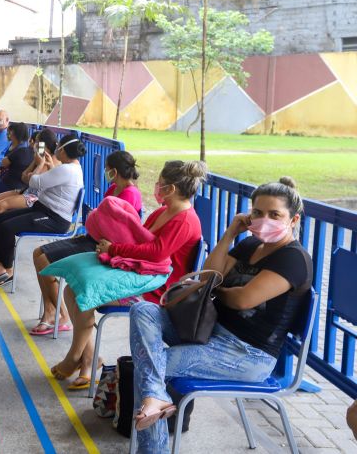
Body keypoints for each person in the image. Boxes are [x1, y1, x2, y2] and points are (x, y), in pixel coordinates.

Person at [130, 177, 312, 452]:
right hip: (210, 331)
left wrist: (215, 288)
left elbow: (242, 300)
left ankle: (151, 444)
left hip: (248, 354)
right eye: (258, 213)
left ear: (293, 219)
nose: (265, 219)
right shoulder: (250, 245)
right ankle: (155, 400)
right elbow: (209, 273)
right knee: (143, 310)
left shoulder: (293, 258)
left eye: (275, 214)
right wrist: (230, 233)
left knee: (152, 367)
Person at [49, 160, 204, 392]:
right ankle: (87, 356)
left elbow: (156, 252)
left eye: (160, 184)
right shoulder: (163, 211)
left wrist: (114, 249)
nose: (156, 187)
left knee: (85, 293)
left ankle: (77, 357)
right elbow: (140, 238)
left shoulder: (185, 220)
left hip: (159, 289)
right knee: (74, 288)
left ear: (171, 189)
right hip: (141, 275)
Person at [30, 150, 142, 340]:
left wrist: (95, 220)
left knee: (43, 262)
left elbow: (115, 230)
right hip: (92, 238)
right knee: (37, 253)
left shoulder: (130, 194)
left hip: (102, 246)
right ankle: (51, 309)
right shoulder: (114, 189)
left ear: (114, 171)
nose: (105, 172)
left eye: (107, 169)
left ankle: (59, 314)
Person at [0, 133, 86, 289]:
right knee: (0, 219)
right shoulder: (70, 168)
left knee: (7, 227)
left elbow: (34, 182)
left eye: (58, 147)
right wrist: (46, 166)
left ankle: (5, 269)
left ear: (63, 151)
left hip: (54, 219)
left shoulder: (67, 170)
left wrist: (39, 164)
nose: (56, 150)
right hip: (42, 209)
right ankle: (0, 266)